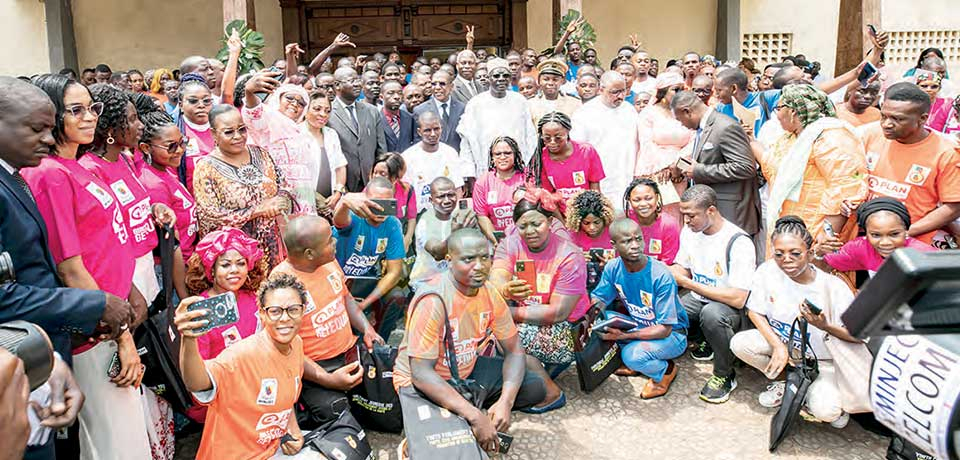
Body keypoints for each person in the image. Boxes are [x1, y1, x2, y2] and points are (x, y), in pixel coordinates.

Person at [0, 76, 135, 460]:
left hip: (37, 354)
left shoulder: (14, 176)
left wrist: (53, 358)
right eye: (36, 129)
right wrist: (94, 304)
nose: (49, 138)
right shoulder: (35, 177)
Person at [393, 228, 549, 452]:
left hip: (464, 371)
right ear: (449, 261)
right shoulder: (433, 299)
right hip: (425, 382)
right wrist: (475, 417)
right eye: (468, 259)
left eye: (485, 257)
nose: (479, 266)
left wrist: (505, 402)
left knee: (534, 387)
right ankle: (441, 426)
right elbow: (421, 373)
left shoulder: (489, 292)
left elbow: (514, 350)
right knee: (460, 452)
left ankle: (457, 415)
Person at [730, 216, 860, 428]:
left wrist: (825, 326)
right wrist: (778, 346)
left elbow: (857, 337)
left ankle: (812, 392)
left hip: (824, 360)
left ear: (809, 252)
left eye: (795, 253)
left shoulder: (833, 288)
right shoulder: (768, 271)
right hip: (789, 349)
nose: (786, 260)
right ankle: (789, 383)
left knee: (828, 412)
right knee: (741, 344)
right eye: (779, 254)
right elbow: (754, 311)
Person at [175, 273, 308, 460]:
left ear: (303, 311)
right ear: (262, 314)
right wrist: (188, 338)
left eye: (293, 309)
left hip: (270, 450)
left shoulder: (297, 344)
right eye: (275, 311)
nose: (285, 318)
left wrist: (292, 429)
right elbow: (196, 383)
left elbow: (287, 395)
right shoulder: (241, 355)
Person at [272, 216, 384, 428]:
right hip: (315, 367)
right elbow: (285, 349)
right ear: (309, 254)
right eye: (329, 240)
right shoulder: (282, 286)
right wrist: (327, 379)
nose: (335, 242)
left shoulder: (329, 262)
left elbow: (346, 299)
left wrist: (367, 329)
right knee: (338, 416)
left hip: (348, 351)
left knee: (385, 394)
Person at [80, 83, 176, 312]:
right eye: (132, 119)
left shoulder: (125, 160)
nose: (140, 125)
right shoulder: (90, 170)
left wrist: (154, 208)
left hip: (147, 267)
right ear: (110, 129)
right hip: (124, 277)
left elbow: (130, 206)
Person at [491, 194, 588, 413]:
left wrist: (507, 313)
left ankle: (551, 393)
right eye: (523, 226)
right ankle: (531, 369)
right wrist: (505, 289)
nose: (530, 231)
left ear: (550, 222)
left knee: (500, 338)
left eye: (537, 223)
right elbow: (497, 276)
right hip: (528, 317)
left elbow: (558, 313)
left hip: (567, 329)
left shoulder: (569, 255)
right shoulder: (510, 244)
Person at [669, 185, 756, 404]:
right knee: (671, 309)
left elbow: (738, 298)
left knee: (712, 315)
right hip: (699, 298)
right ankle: (707, 341)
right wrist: (669, 272)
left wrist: (688, 283)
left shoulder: (739, 242)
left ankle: (724, 374)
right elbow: (683, 267)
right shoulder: (690, 232)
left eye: (691, 216)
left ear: (711, 211)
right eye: (684, 215)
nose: (686, 221)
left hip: (729, 308)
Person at [759, 83, 868, 253]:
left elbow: (846, 186)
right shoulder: (792, 137)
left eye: (778, 109)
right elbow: (772, 167)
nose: (777, 115)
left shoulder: (832, 137)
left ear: (792, 111)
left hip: (815, 227)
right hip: (786, 223)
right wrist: (750, 141)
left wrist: (828, 233)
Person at [592, 218, 689, 399]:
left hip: (672, 335)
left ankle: (665, 371)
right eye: (627, 241)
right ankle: (638, 364)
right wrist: (589, 318)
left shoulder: (661, 276)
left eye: (638, 239)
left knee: (631, 356)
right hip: (640, 325)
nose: (635, 245)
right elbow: (599, 299)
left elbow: (664, 329)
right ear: (614, 245)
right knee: (604, 320)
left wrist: (624, 336)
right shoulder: (613, 267)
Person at [859, 82, 960, 245]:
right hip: (863, 238)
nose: (886, 124)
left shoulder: (947, 153)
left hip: (912, 245)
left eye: (898, 119)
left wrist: (904, 233)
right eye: (883, 116)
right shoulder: (870, 135)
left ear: (923, 119)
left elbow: (953, 207)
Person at [193, 104, 292, 268]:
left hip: (274, 246)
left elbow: (283, 183)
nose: (238, 136)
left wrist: (280, 200)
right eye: (229, 132)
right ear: (213, 134)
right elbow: (210, 216)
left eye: (242, 129)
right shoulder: (206, 168)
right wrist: (257, 211)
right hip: (237, 257)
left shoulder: (260, 153)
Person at [242, 71, 335, 216]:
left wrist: (313, 195)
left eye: (301, 103)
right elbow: (254, 112)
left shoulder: (302, 133)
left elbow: (303, 171)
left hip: (303, 197)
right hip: (276, 197)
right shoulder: (268, 120)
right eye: (289, 98)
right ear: (278, 99)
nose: (294, 103)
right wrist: (249, 92)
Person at [671, 91, 761, 240]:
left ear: (687, 111)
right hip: (713, 211)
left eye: (680, 120)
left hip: (731, 211)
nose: (682, 124)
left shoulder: (725, 127)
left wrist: (699, 170)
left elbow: (746, 167)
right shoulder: (703, 129)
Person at [332, 178, 405, 334]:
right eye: (376, 203)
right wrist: (344, 203)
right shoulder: (354, 215)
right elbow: (339, 221)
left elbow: (394, 272)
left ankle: (379, 343)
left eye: (387, 204)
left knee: (397, 296)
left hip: (364, 283)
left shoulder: (393, 224)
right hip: (337, 283)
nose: (380, 209)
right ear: (365, 199)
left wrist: (364, 304)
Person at [137, 111, 196, 299]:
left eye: (182, 142)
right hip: (172, 275)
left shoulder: (166, 171)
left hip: (186, 266)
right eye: (171, 146)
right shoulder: (153, 184)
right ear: (146, 148)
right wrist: (183, 294)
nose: (179, 150)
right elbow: (170, 245)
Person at [185, 228, 266, 360]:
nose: (234, 270)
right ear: (212, 270)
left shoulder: (253, 297)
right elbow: (199, 365)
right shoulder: (202, 312)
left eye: (241, 263)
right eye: (225, 265)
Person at [458, 57, 538, 179]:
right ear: (489, 78)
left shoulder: (520, 101)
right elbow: (467, 142)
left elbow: (530, 137)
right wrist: (469, 174)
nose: (501, 79)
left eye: (505, 76)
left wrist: (528, 167)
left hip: (518, 170)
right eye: (496, 76)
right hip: (485, 170)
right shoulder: (475, 104)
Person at [570, 71, 639, 210]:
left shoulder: (629, 110)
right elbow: (578, 151)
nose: (620, 96)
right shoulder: (584, 113)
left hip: (627, 172)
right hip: (601, 178)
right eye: (614, 92)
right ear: (601, 90)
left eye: (623, 91)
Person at [815, 197, 936, 275]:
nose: (885, 242)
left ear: (906, 231)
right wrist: (819, 252)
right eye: (876, 235)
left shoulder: (925, 256)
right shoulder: (861, 247)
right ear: (866, 234)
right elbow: (822, 269)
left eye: (894, 234)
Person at [635, 72, 693, 219]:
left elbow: (693, 140)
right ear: (663, 92)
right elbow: (647, 143)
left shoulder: (686, 113)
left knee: (678, 214)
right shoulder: (648, 113)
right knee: (659, 214)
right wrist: (665, 167)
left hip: (680, 171)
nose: (680, 94)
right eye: (675, 90)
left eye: (682, 89)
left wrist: (677, 166)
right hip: (655, 170)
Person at [410, 177, 479, 288]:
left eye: (451, 195)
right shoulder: (426, 221)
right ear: (431, 200)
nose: (447, 200)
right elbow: (437, 254)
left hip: (455, 281)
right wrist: (455, 234)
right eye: (441, 196)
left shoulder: (462, 217)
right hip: (427, 283)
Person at [326, 67, 387, 192]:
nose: (357, 84)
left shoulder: (372, 111)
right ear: (337, 85)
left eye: (358, 80)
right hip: (341, 184)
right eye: (351, 80)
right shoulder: (327, 112)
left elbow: (381, 149)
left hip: (370, 182)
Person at [527, 111, 605, 201]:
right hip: (557, 208)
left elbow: (595, 189)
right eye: (547, 138)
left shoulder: (586, 151)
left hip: (585, 207)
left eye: (558, 138)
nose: (552, 142)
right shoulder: (541, 159)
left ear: (567, 132)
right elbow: (548, 195)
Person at [402, 111, 465, 212]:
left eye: (436, 129)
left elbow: (458, 188)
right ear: (419, 132)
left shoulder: (451, 153)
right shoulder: (407, 157)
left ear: (441, 128)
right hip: (419, 214)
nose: (433, 134)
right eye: (427, 130)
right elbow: (405, 192)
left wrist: (456, 213)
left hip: (447, 213)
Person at [472, 136, 526, 243]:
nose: (502, 157)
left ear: (515, 155)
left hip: (526, 239)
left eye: (507, 153)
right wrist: (498, 243)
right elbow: (482, 216)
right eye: (497, 154)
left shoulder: (528, 177)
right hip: (497, 241)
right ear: (492, 157)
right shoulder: (483, 182)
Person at [301, 90, 349, 210]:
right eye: (317, 109)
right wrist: (315, 199)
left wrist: (338, 192)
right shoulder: (296, 134)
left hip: (331, 202)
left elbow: (340, 166)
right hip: (304, 200)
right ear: (305, 109)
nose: (323, 114)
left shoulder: (331, 134)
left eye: (327, 111)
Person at [624, 179, 682, 265]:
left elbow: (667, 261)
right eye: (636, 200)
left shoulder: (669, 224)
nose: (643, 204)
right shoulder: (624, 221)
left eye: (648, 198)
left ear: (657, 197)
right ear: (629, 201)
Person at [173, 74, 215, 192]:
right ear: (181, 105)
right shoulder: (174, 133)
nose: (201, 105)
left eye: (206, 101)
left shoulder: (222, 127)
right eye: (193, 101)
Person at [370, 152, 417, 252]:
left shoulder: (407, 190)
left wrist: (407, 240)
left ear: (395, 177)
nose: (376, 177)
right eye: (375, 172)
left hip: (399, 239)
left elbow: (412, 218)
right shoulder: (368, 192)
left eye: (383, 174)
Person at [714, 68, 780, 136]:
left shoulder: (765, 98)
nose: (716, 95)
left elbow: (786, 92)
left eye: (719, 90)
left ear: (734, 88)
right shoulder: (720, 109)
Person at [412, 69, 465, 152]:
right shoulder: (420, 110)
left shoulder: (461, 108)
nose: (437, 88)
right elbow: (417, 141)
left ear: (451, 86)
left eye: (442, 84)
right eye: (433, 84)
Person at [528, 59, 582, 126]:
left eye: (555, 80)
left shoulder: (575, 103)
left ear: (562, 81)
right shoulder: (530, 104)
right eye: (546, 79)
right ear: (539, 81)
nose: (550, 83)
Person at [380, 80, 415, 152]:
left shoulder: (409, 118)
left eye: (400, 93)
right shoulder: (376, 119)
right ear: (381, 97)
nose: (397, 97)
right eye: (391, 93)